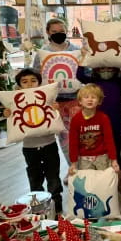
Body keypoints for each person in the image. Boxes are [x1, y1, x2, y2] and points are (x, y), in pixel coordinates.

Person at [76, 56, 121, 195]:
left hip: (115, 124)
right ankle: (101, 183)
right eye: (102, 68)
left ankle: (119, 182)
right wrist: (82, 58)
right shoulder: (94, 81)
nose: (105, 70)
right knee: (97, 154)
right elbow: (80, 75)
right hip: (95, 126)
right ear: (96, 69)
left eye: (109, 68)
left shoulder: (119, 81)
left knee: (116, 154)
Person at [3, 69, 63, 213]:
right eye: (25, 82)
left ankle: (56, 203)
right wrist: (8, 114)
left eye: (33, 81)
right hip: (29, 147)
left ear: (39, 82)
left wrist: (55, 109)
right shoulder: (15, 102)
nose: (29, 84)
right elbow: (13, 120)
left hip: (49, 144)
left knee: (53, 175)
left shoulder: (47, 97)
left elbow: (55, 118)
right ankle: (37, 205)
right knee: (34, 177)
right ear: (18, 86)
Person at [33, 18, 81, 184]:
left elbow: (84, 72)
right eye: (54, 32)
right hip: (55, 103)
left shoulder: (76, 50)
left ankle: (84, 169)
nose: (58, 34)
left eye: (61, 30)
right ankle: (72, 168)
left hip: (76, 100)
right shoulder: (42, 53)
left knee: (79, 135)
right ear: (48, 33)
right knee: (64, 138)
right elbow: (35, 77)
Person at [68, 84, 119, 176]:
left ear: (99, 101)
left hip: (102, 157)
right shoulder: (76, 120)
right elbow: (73, 143)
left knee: (103, 183)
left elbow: (109, 140)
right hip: (84, 159)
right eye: (86, 97)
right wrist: (73, 163)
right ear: (80, 101)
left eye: (93, 97)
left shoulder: (104, 118)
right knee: (87, 185)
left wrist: (113, 160)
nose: (90, 99)